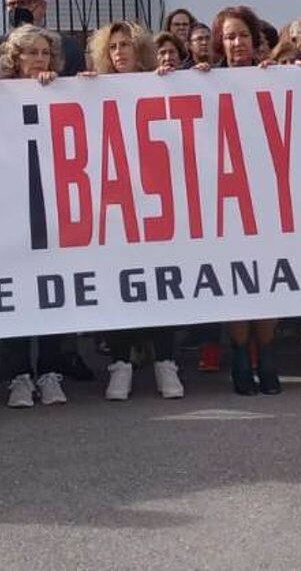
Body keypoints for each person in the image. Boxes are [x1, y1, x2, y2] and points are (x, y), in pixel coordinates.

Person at [76, 22, 186, 401]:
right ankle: (120, 365)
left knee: (162, 285)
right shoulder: (92, 88)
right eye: (114, 47)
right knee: (119, 286)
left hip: (157, 203)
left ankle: (165, 364)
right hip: (114, 205)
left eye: (126, 45)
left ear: (141, 50)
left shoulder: (163, 82)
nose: (120, 52)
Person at [0, 26, 73, 406]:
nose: (39, 60)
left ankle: (49, 373)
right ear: (14, 58)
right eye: (31, 53)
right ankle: (18, 376)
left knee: (49, 291)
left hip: (51, 205)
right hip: (8, 204)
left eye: (45, 53)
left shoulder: (59, 90)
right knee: (15, 291)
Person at [192, 6, 286, 394]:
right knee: (237, 286)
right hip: (225, 200)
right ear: (220, 42)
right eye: (229, 36)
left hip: (269, 197)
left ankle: (265, 357)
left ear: (255, 38)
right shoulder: (204, 80)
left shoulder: (276, 77)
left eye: (243, 35)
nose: (237, 43)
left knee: (268, 283)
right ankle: (239, 360)